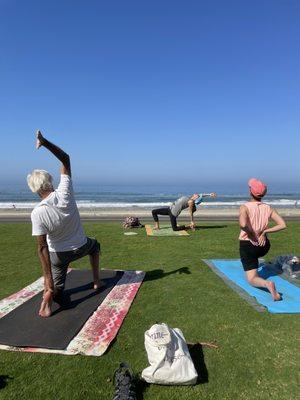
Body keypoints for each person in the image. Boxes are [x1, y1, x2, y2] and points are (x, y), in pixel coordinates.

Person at [27, 131, 101, 317]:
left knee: (58, 292)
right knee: (96, 246)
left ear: (35, 190)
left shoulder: (37, 213)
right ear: (50, 181)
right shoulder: (64, 192)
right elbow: (65, 158)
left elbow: (42, 248)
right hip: (82, 247)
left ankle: (50, 295)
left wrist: (48, 281)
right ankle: (96, 281)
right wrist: (44, 143)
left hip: (58, 257)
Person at [239, 178, 286, 301]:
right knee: (254, 257)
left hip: (249, 246)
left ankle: (267, 284)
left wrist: (251, 234)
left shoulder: (244, 207)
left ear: (250, 191)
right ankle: (255, 262)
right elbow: (282, 224)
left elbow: (243, 224)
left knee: (252, 278)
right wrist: (264, 231)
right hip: (264, 246)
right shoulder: (268, 208)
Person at [152, 192, 217, 231]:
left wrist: (192, 221)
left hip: (173, 214)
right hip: (169, 209)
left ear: (196, 199)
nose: (196, 194)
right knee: (154, 211)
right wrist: (209, 194)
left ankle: (188, 227)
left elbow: (190, 212)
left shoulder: (191, 202)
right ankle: (157, 226)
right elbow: (201, 195)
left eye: (197, 196)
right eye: (196, 195)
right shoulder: (191, 197)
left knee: (175, 229)